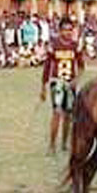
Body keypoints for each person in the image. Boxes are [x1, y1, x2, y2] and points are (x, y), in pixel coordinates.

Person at [41, 17, 84, 154]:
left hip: (70, 84)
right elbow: (47, 67)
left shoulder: (75, 46)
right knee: (57, 113)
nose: (68, 32)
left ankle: (64, 143)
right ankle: (52, 145)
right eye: (65, 30)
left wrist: (76, 79)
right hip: (57, 83)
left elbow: (81, 66)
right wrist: (43, 87)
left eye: (70, 30)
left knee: (68, 116)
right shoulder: (54, 45)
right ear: (59, 31)